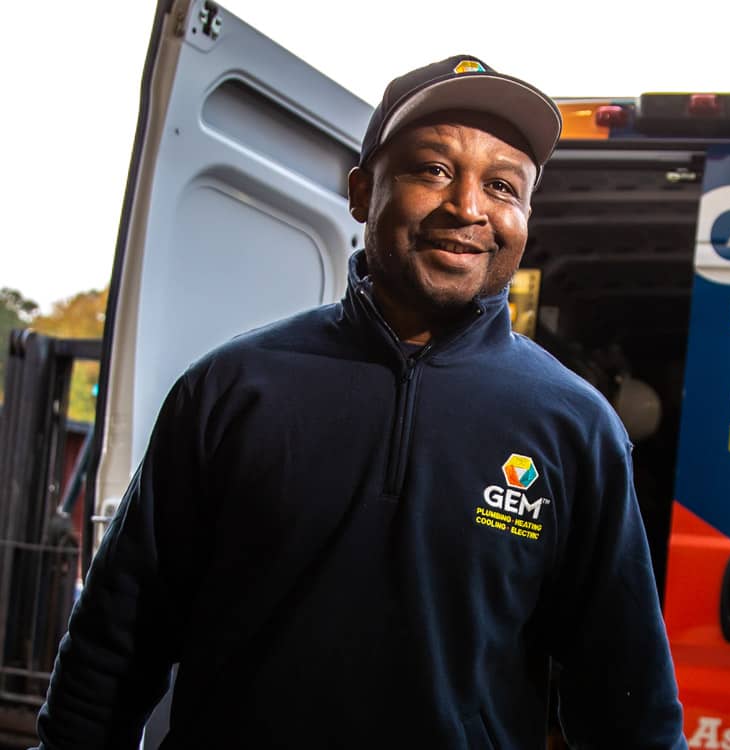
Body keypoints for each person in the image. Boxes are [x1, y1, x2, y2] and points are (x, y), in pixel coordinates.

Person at [36, 55, 687, 749]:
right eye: (432, 170)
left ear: (525, 218)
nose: (467, 207)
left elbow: (629, 704)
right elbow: (113, 647)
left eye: (502, 186)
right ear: (360, 192)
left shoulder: (575, 428)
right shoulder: (232, 389)